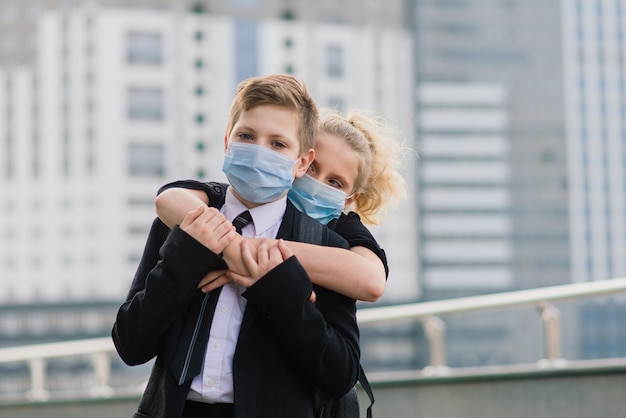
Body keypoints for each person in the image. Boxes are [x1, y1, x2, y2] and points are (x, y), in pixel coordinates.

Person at [112, 74, 360, 418]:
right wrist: (187, 257)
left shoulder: (323, 246)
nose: (259, 150)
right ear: (227, 142)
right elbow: (131, 344)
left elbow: (340, 373)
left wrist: (279, 289)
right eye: (247, 136)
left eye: (278, 144)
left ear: (302, 162)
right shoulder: (185, 223)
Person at [156, 108, 407, 303]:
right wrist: (235, 251)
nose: (316, 184)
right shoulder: (248, 196)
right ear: (298, 160)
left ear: (350, 199)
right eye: (311, 168)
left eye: (335, 182)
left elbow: (372, 281)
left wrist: (246, 249)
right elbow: (171, 199)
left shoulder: (341, 228)